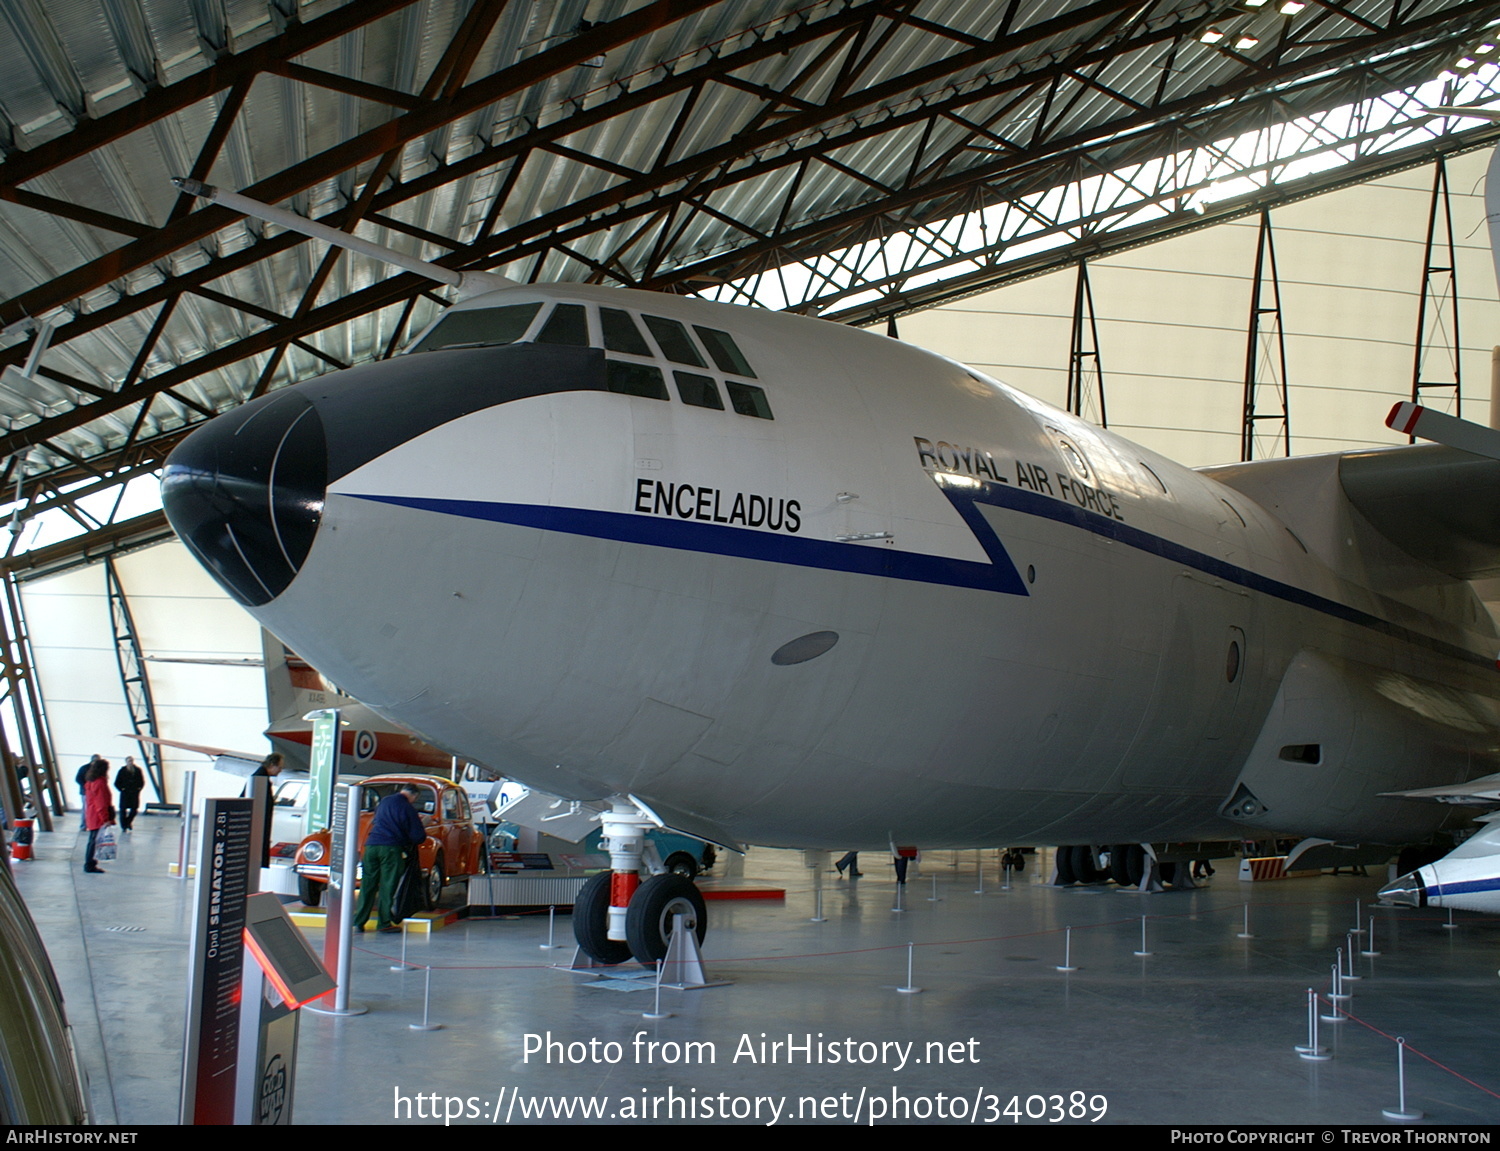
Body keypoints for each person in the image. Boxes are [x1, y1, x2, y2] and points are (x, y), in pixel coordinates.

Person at [354, 785, 428, 934]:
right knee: (388, 885)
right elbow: (418, 836)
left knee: (367, 885)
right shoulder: (407, 808)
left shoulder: (384, 802)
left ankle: (358, 922)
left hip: (371, 846)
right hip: (391, 849)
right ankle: (384, 923)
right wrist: (424, 824)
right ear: (413, 796)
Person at [245, 753, 283, 865]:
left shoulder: (260, 778)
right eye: (280, 767)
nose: (280, 770)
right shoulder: (260, 780)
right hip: (259, 828)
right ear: (272, 765)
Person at [82, 761, 114, 875]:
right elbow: (101, 803)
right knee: (94, 841)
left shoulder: (90, 781)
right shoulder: (100, 783)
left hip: (91, 814)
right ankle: (90, 864)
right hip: (97, 817)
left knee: (92, 840)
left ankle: (89, 863)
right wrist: (105, 819)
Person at [114, 757, 146, 833]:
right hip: (125, 793)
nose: (130, 762)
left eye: (131, 761)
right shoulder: (122, 771)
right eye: (129, 761)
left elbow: (142, 781)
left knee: (134, 809)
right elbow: (116, 782)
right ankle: (124, 825)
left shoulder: (137, 770)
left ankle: (128, 822)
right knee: (123, 810)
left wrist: (139, 789)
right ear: (126, 762)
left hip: (134, 793)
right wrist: (122, 789)